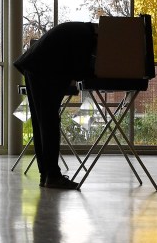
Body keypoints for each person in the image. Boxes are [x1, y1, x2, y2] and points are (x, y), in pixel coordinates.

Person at [14, 22, 97, 190]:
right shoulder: (87, 38)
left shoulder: (80, 30)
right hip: (44, 69)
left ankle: (46, 175)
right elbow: (81, 69)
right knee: (49, 123)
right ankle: (52, 175)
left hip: (34, 66)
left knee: (41, 124)